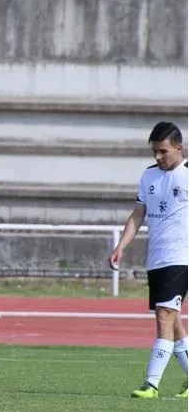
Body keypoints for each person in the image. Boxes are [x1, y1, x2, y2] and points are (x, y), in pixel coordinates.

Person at [109, 121, 188, 399]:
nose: (157, 157)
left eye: (163, 151)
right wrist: (121, 246)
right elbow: (138, 214)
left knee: (164, 316)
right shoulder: (149, 176)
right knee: (174, 319)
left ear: (179, 148)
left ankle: (151, 384)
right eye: (154, 151)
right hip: (157, 259)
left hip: (181, 258)